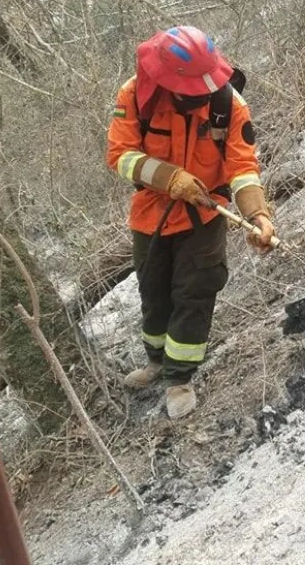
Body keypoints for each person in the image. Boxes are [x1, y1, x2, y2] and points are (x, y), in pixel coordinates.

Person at [106, 26, 276, 419]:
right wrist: (170, 178)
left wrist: (258, 215)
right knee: (154, 291)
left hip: (206, 213)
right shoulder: (134, 96)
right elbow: (120, 155)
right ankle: (156, 360)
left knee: (196, 291)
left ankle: (180, 377)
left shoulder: (229, 104)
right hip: (152, 215)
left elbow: (243, 167)